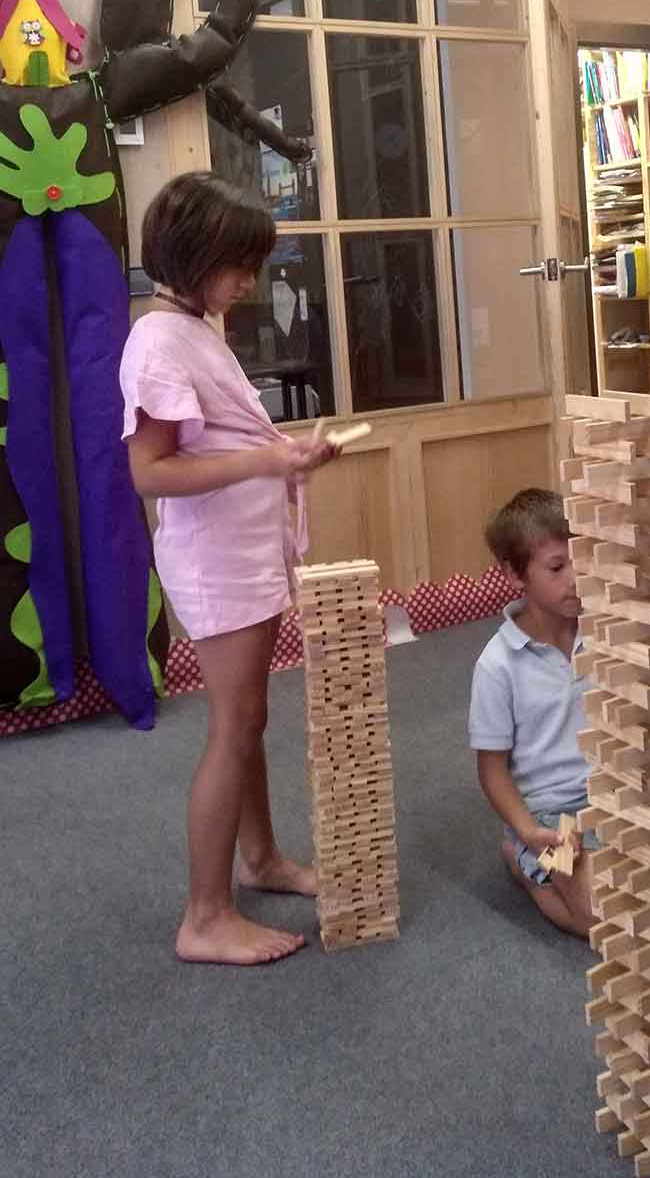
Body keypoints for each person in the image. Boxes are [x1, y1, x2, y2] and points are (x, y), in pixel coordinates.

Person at [120, 172, 338, 966]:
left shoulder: (194, 324)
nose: (251, 280)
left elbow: (217, 446)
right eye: (239, 263)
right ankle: (205, 917)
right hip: (214, 562)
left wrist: (285, 457)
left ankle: (262, 860)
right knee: (233, 728)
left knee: (248, 723)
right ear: (193, 255)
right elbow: (151, 471)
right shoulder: (157, 342)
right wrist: (267, 457)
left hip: (239, 552)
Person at [468, 488, 596, 939]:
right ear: (513, 573)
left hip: (610, 799)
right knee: (604, 925)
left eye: (583, 558)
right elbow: (492, 771)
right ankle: (524, 861)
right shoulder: (497, 664)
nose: (576, 578)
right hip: (549, 817)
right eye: (558, 567)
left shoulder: (606, 630)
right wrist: (527, 828)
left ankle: (537, 862)